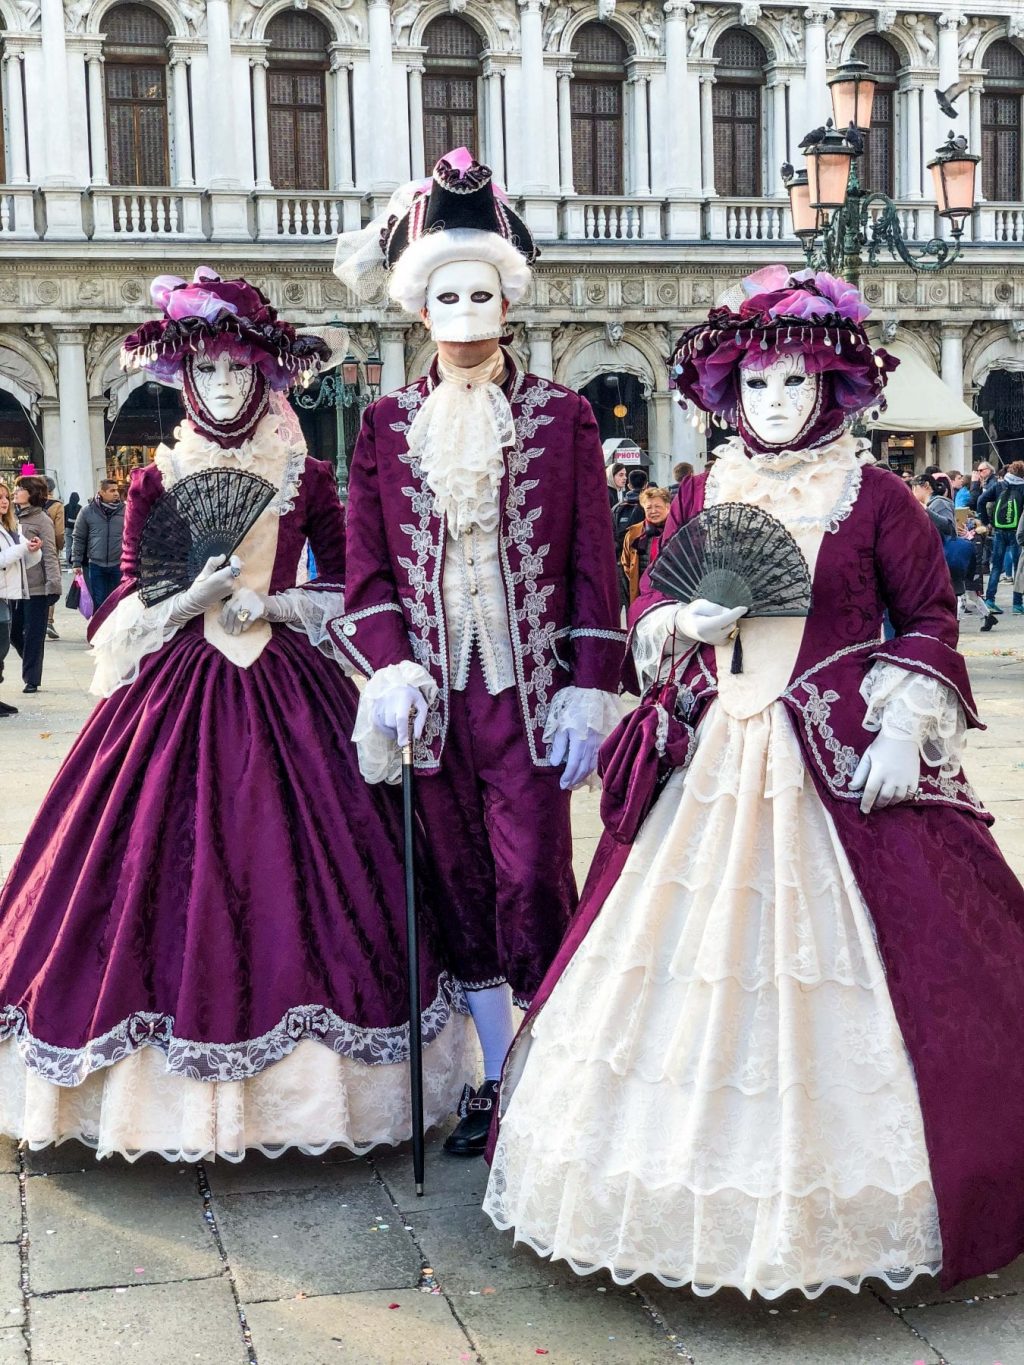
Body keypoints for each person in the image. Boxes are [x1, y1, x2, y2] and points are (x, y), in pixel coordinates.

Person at [484, 265, 1024, 1298]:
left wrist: (902, 723)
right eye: (759, 387)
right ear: (732, 396)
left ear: (831, 390)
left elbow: (927, 620)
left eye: (795, 385)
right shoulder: (698, 493)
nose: (775, 404)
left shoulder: (877, 501)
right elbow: (652, 595)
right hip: (710, 757)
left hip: (830, 760)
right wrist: (674, 624)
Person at [0, 269, 473, 1161]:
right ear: (186, 379)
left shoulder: (307, 475)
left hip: (287, 682)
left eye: (237, 372)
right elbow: (129, 600)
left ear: (266, 377)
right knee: (139, 857)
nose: (223, 387)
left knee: (320, 865)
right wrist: (192, 600)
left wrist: (284, 605)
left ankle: (319, 1095)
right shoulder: (158, 478)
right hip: (179, 683)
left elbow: (350, 580)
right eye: (207, 372)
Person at [332, 148, 623, 1158]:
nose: (463, 311)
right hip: (432, 698)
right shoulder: (383, 424)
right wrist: (387, 665)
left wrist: (591, 687)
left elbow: (594, 561)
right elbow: (364, 566)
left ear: (507, 302)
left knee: (533, 874)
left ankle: (554, 1067)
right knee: (452, 879)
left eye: (481, 292)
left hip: (528, 691)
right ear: (418, 309)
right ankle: (492, 1078)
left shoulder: (563, 417)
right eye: (444, 293)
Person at [9, 476, 60, 694]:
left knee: (34, 634)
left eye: (21, 489)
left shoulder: (42, 520)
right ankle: (31, 660)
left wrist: (54, 584)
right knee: (13, 633)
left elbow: (49, 553)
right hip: (12, 585)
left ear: (32, 493)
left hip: (36, 586)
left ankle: (32, 678)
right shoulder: (10, 518)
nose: (15, 492)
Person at [0, 483, 42, 717]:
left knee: (2, 647)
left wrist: (33, 550)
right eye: (0, 497)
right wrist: (23, 547)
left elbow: (21, 563)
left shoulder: (8, 528)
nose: (5, 501)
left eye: (6, 497)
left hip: (6, 595)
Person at [71, 479, 126, 612]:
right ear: (101, 492)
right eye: (112, 490)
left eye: (117, 490)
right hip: (96, 564)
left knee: (118, 600)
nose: (116, 494)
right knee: (99, 600)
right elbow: (79, 537)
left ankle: (115, 630)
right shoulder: (87, 511)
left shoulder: (126, 510)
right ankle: (100, 630)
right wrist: (76, 562)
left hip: (119, 563)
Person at [978, 460, 1024, 615]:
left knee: (996, 567)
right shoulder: (1023, 488)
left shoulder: (999, 485)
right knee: (1018, 569)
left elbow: (981, 500)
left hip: (999, 530)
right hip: (1016, 532)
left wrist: (986, 522)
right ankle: (1017, 604)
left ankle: (990, 601)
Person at [620, 486, 671, 603]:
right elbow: (626, 564)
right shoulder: (633, 534)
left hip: (672, 596)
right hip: (643, 596)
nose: (653, 511)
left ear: (668, 507)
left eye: (658, 506)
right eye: (648, 508)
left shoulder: (677, 530)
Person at [42, 477, 65, 641]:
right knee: (52, 583)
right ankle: (48, 621)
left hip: (30, 550)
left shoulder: (30, 503)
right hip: (50, 550)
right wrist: (59, 546)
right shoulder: (57, 505)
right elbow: (59, 533)